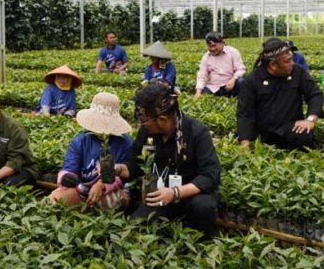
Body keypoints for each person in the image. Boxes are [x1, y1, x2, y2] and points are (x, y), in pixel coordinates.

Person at [121, 82, 221, 237]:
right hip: (160, 196)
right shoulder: (146, 132)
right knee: (136, 228)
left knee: (204, 206)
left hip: (189, 195)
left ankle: (201, 242)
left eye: (145, 120)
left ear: (162, 119)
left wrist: (175, 193)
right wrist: (121, 169)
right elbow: (135, 166)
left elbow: (210, 175)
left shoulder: (197, 132)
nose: (142, 124)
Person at [48, 92, 132, 209]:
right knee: (54, 200)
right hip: (82, 188)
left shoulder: (124, 142)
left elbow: (125, 175)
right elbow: (69, 168)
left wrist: (101, 185)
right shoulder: (81, 140)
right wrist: (66, 177)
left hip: (113, 190)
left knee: (111, 202)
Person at [237, 38, 324, 151]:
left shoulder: (298, 72)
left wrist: (310, 119)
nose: (292, 63)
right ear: (273, 65)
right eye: (287, 61)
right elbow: (244, 113)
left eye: (292, 59)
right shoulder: (252, 80)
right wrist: (245, 144)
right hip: (262, 133)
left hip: (289, 129)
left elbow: (315, 94)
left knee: (303, 136)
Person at [194, 32, 246, 100]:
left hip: (230, 86)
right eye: (210, 46)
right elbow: (202, 75)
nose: (212, 49)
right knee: (203, 94)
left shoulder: (233, 52)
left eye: (214, 46)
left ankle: (238, 99)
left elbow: (241, 69)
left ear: (222, 43)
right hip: (213, 87)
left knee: (241, 82)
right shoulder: (206, 57)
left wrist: (234, 79)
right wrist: (198, 93)